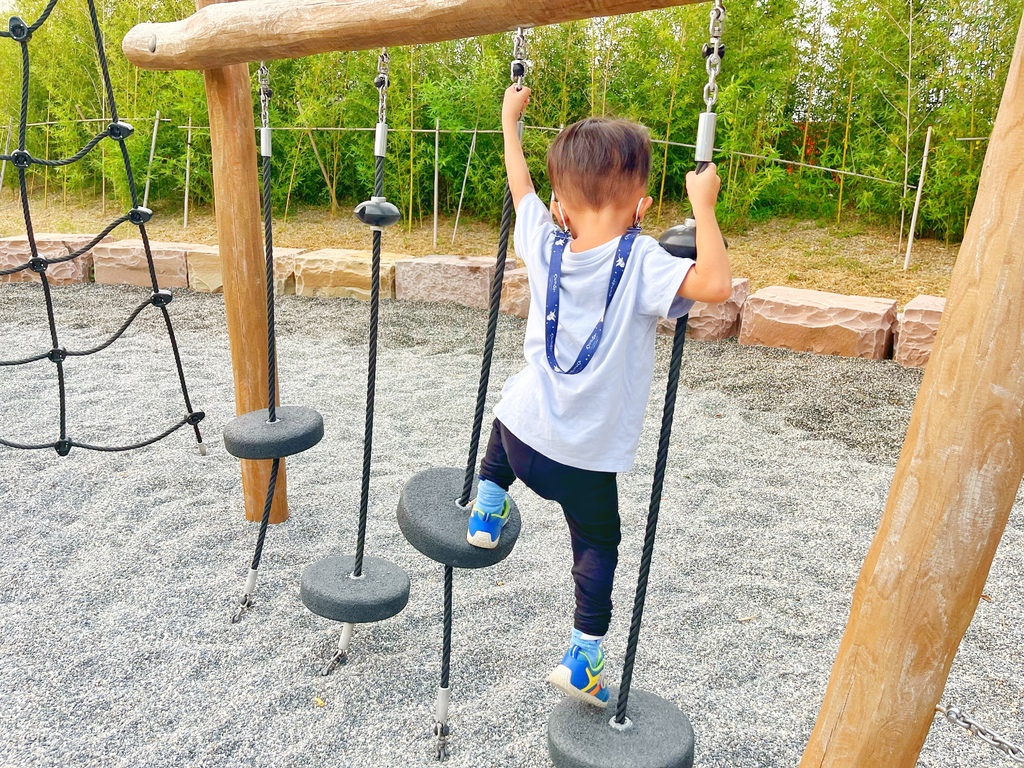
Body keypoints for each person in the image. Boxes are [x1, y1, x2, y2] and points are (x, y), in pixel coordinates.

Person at [466, 83, 731, 708]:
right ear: (641, 207)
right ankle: (583, 654)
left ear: (560, 205)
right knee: (596, 547)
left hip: (521, 437)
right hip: (585, 461)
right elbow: (716, 284)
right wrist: (706, 206)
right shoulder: (643, 261)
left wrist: (512, 120)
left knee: (512, 406)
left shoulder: (542, 240)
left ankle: (486, 501)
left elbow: (520, 185)